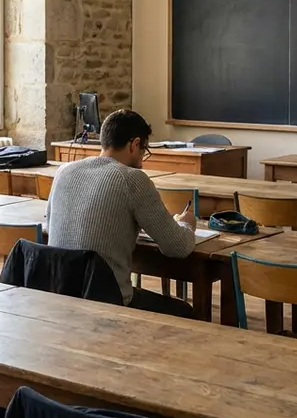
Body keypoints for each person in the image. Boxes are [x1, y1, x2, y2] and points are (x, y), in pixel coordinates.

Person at [46, 109, 197, 317]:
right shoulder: (132, 179)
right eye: (144, 149)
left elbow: (50, 223)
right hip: (106, 300)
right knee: (185, 311)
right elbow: (178, 247)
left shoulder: (64, 171)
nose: (143, 159)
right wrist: (187, 223)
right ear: (134, 144)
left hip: (58, 294)